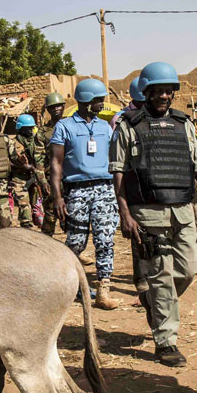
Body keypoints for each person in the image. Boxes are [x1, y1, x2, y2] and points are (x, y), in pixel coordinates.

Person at [111, 62, 197, 366]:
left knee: (187, 271)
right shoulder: (128, 126)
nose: (164, 95)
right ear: (146, 92)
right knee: (160, 275)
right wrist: (125, 213)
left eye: (168, 90)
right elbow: (119, 173)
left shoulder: (184, 124)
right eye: (158, 91)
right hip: (148, 213)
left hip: (183, 210)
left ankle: (151, 300)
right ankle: (166, 342)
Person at [50, 79, 120, 310]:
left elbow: (114, 159)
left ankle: (103, 288)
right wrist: (58, 197)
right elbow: (56, 164)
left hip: (104, 188)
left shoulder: (104, 127)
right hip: (77, 190)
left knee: (105, 239)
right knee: (76, 243)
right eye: (98, 100)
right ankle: (69, 286)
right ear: (86, 101)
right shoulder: (65, 127)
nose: (101, 104)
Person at [37, 93, 66, 236]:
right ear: (48, 110)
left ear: (64, 106)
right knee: (49, 219)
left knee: (71, 220)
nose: (56, 109)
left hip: (71, 179)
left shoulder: (72, 126)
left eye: (58, 106)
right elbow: (38, 161)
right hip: (52, 180)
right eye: (52, 107)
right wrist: (43, 182)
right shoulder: (43, 133)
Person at [11, 114, 44, 229]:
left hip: (34, 179)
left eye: (31, 128)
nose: (30, 131)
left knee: (37, 208)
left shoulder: (36, 142)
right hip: (20, 180)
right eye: (27, 128)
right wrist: (21, 165)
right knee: (25, 208)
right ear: (21, 129)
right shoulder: (13, 143)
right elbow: (8, 162)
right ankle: (26, 227)